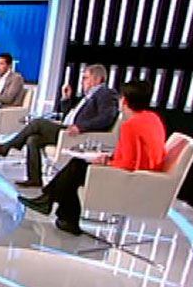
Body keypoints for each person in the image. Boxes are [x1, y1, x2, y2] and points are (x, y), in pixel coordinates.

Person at [18, 80, 166, 236]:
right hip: (147, 175)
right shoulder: (153, 118)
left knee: (75, 170)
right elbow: (137, 154)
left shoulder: (130, 126)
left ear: (124, 101)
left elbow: (128, 165)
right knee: (75, 169)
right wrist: (109, 158)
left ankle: (53, 205)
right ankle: (57, 210)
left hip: (132, 179)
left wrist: (107, 163)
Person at [0, 64, 118, 188]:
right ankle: (34, 179)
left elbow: (106, 118)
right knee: (33, 140)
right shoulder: (88, 96)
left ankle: (6, 147)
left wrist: (81, 127)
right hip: (67, 129)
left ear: (97, 79)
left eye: (86, 78)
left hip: (77, 135)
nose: (83, 81)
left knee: (37, 123)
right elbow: (69, 117)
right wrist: (66, 99)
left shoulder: (105, 93)